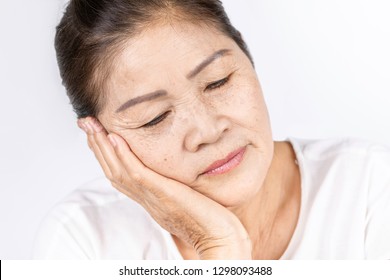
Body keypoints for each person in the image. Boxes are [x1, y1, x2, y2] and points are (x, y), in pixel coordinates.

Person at [33, 0, 390, 259]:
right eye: (154, 117)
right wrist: (220, 247)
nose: (208, 130)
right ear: (102, 141)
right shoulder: (84, 241)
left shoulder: (370, 190)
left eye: (218, 82)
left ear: (245, 53)